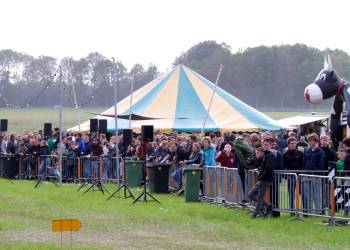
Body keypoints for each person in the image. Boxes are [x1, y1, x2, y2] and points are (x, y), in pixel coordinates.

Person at [248, 138, 276, 218]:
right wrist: (258, 169)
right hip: (263, 179)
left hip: (265, 180)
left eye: (267, 145)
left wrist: (261, 177)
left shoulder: (271, 155)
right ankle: (268, 205)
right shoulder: (266, 155)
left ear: (270, 145)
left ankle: (255, 214)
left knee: (254, 195)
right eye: (264, 145)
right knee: (253, 195)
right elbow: (263, 167)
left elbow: (268, 169)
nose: (266, 146)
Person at [302, 133, 325, 215]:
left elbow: (321, 165)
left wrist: (316, 173)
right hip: (306, 175)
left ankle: (318, 211)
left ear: (316, 141)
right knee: (308, 195)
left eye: (312, 141)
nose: (310, 142)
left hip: (316, 176)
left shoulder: (320, 152)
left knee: (317, 195)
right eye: (309, 141)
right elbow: (304, 163)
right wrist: (303, 173)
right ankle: (309, 211)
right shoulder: (307, 151)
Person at [283, 137, 303, 211]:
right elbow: (283, 167)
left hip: (300, 177)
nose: (293, 145)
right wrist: (285, 176)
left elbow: (303, 164)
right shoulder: (285, 155)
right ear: (288, 144)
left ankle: (303, 209)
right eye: (292, 143)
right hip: (290, 177)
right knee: (291, 195)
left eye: (295, 143)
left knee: (302, 194)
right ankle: (292, 209)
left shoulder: (300, 153)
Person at [234, 136, 254, 203]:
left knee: (246, 183)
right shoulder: (245, 145)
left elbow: (240, 157)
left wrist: (246, 167)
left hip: (245, 168)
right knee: (246, 183)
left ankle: (246, 198)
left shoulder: (237, 144)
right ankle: (245, 197)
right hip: (244, 167)